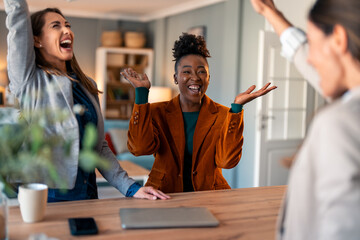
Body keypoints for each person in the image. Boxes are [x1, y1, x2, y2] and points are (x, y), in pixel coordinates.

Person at [4, 0, 169, 202]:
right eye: (56, 26)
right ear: (36, 40)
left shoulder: (87, 85)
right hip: (49, 196)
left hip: (88, 191)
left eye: (67, 25)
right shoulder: (30, 81)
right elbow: (18, 24)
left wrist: (131, 188)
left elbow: (99, 147)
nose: (67, 30)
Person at [251, 0, 360, 239]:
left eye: (313, 43)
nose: (309, 59)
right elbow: (300, 53)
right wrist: (271, 13)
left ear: (339, 39)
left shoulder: (339, 122)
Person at [121, 33, 276, 193]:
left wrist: (237, 108)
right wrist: (141, 94)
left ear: (209, 77)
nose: (195, 77)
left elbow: (226, 161)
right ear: (175, 78)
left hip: (211, 194)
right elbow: (139, 149)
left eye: (201, 72)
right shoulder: (156, 112)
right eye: (186, 72)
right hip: (163, 193)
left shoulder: (224, 114)